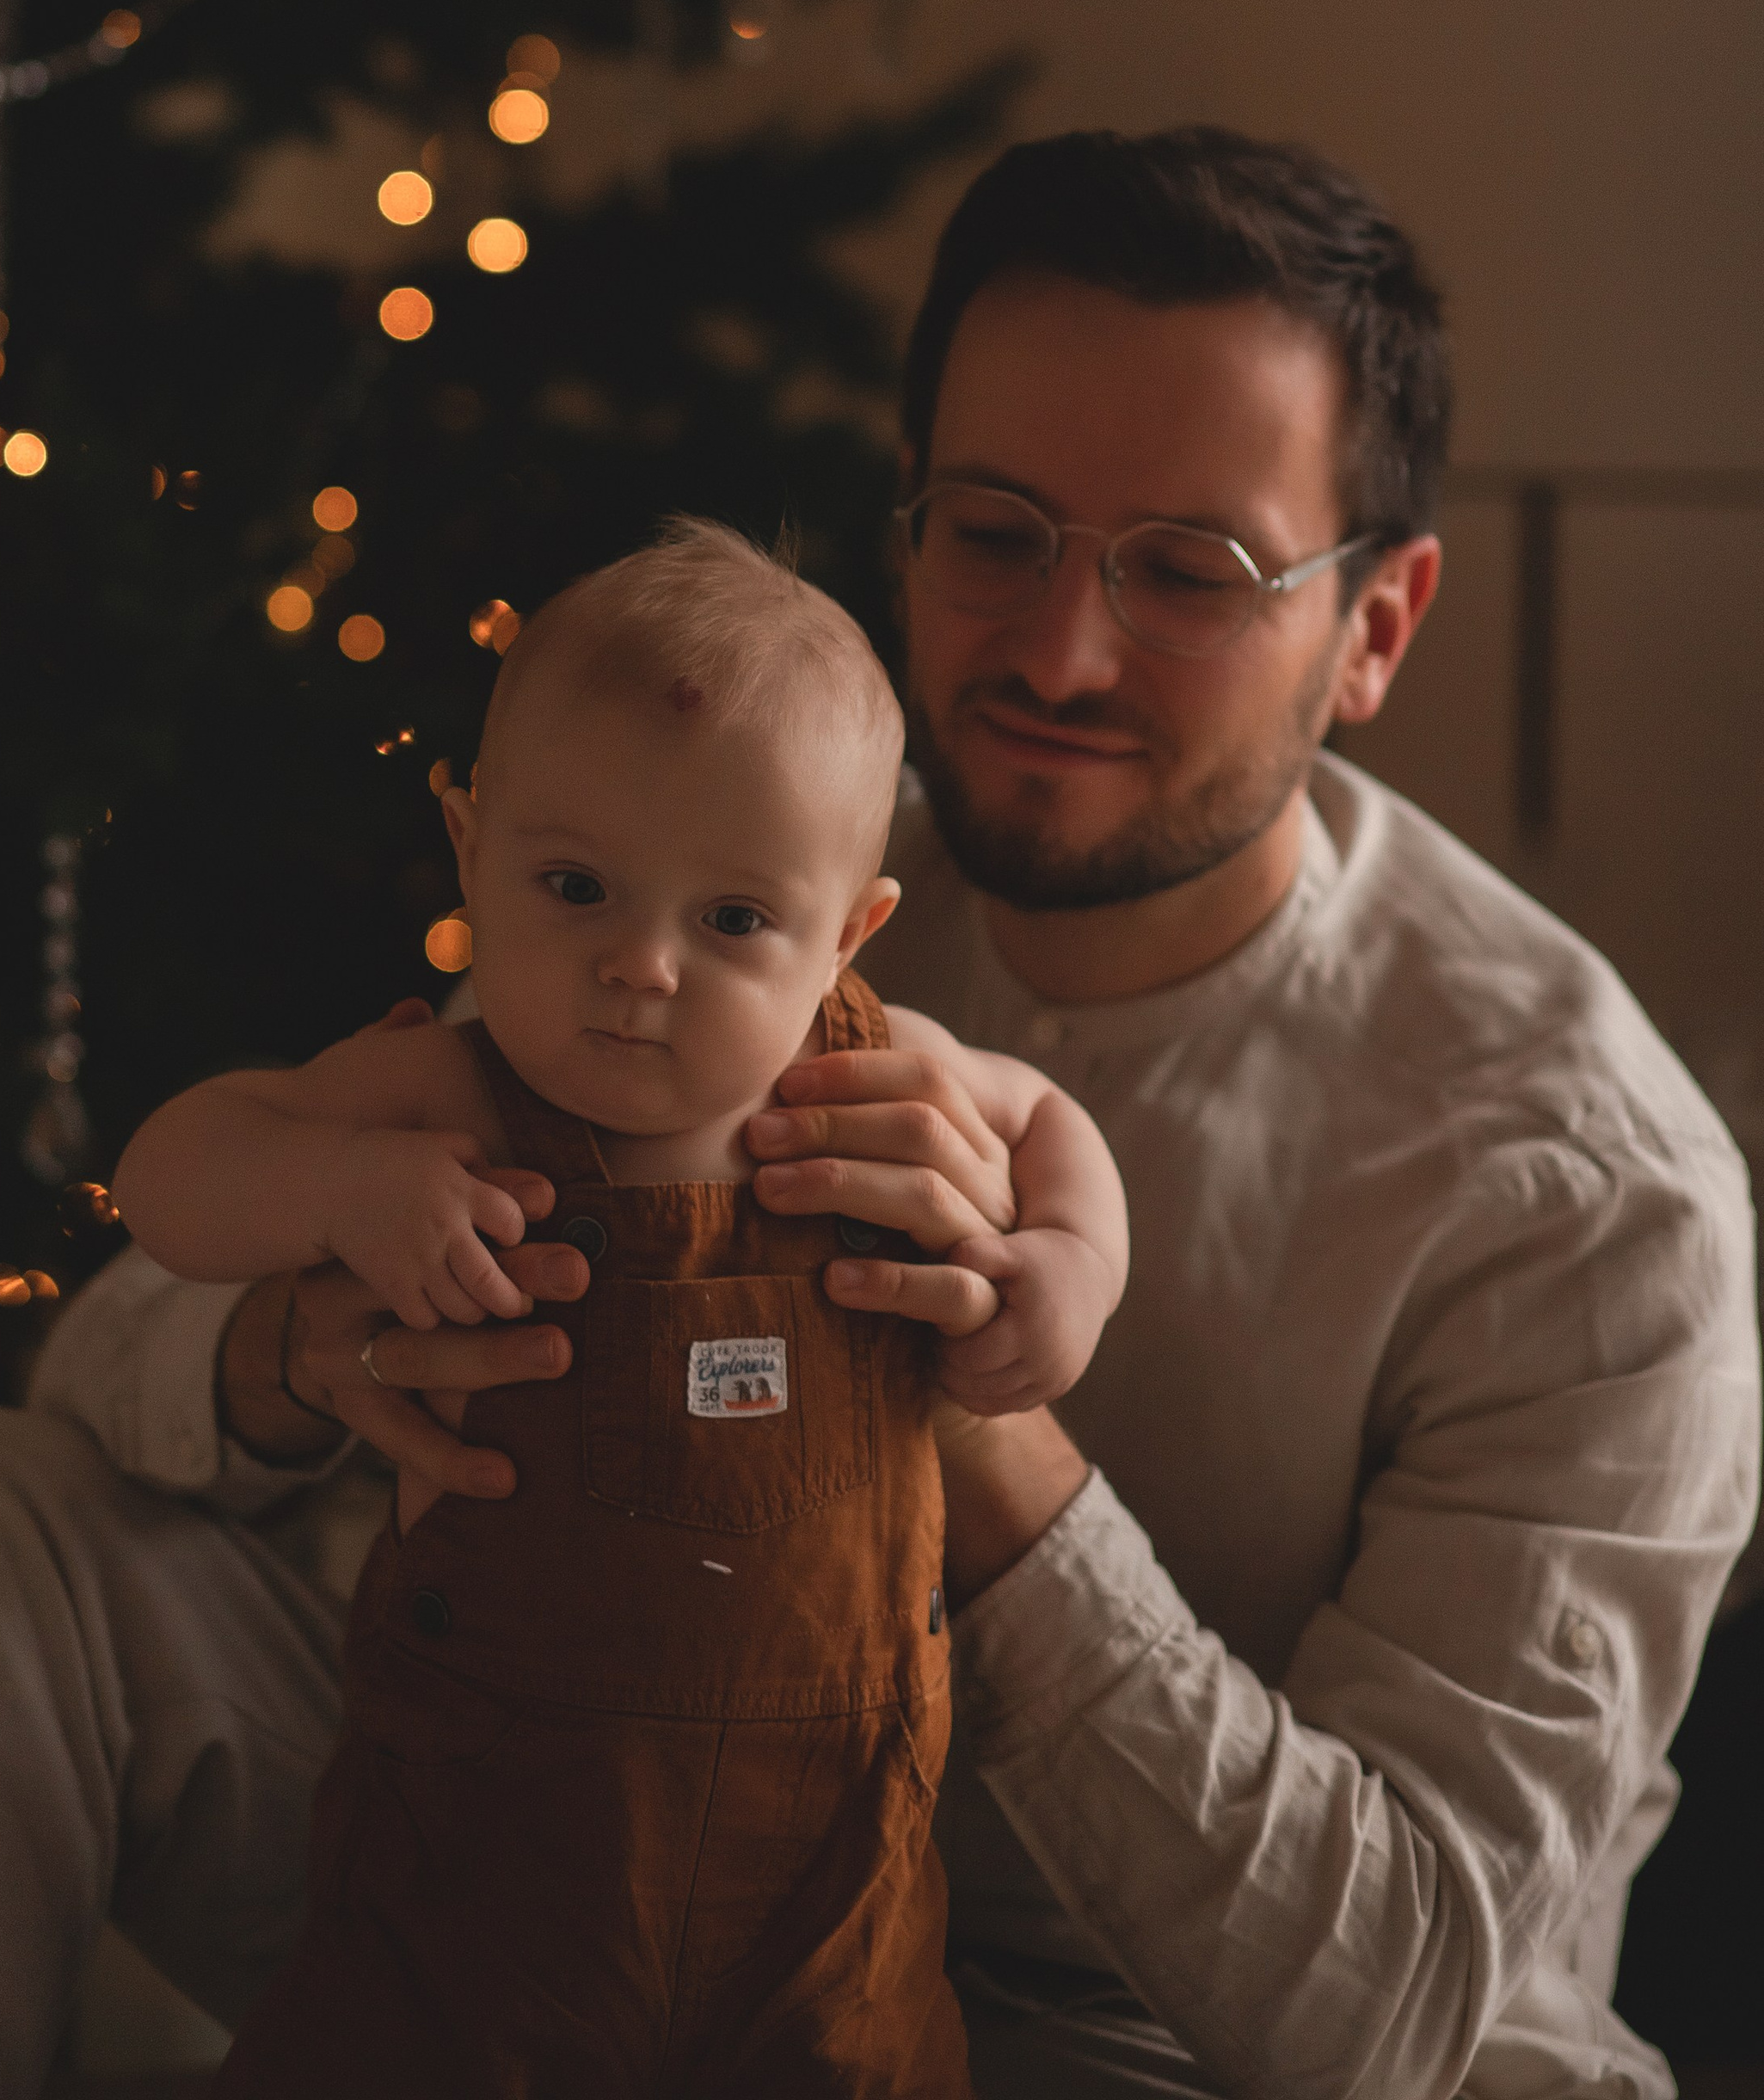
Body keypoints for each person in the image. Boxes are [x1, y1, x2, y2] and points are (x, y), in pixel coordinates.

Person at [0, 127, 1758, 2100]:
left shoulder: (1587, 1189)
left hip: (1135, 2051)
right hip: (573, 1859)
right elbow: (109, 1353)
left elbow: (1387, 2013)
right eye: (993, 533)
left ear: (1371, 625)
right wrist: (315, 1341)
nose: (1058, 645)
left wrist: (966, 1422)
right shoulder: (715, 871)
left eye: (1188, 568)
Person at [111, 521, 1126, 2094]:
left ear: (850, 929)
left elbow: (1054, 1124)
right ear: (469, 847)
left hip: (827, 1896)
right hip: (477, 1878)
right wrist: (335, 1196)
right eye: (574, 887)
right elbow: (170, 1171)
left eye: (732, 921)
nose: (637, 967)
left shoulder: (879, 1070)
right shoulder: (446, 1086)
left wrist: (1068, 1266)